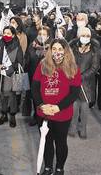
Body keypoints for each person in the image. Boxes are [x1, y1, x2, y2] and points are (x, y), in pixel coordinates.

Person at [32, 39, 82, 175]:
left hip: (62, 113)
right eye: (54, 49)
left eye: (60, 49)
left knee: (60, 142)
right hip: (43, 112)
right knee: (46, 141)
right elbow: (35, 87)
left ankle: (59, 168)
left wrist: (58, 107)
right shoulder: (42, 64)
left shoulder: (73, 67)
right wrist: (42, 105)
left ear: (66, 51)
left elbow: (74, 93)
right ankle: (48, 166)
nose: (57, 52)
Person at [68, 27, 100, 139]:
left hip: (86, 83)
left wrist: (82, 77)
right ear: (78, 36)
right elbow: (68, 62)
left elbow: (95, 67)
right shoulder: (72, 47)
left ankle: (83, 129)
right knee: (74, 106)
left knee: (84, 108)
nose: (85, 38)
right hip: (73, 81)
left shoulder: (94, 50)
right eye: (83, 35)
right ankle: (72, 127)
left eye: (87, 36)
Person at [0, 26, 24, 128]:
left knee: (12, 96)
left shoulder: (17, 47)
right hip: (0, 74)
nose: (6, 35)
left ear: (13, 35)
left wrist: (8, 69)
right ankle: (4, 114)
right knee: (2, 96)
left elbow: (20, 62)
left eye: (9, 33)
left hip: (11, 74)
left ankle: (12, 115)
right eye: (4, 33)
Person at [25, 26, 52, 125]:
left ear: (48, 36)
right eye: (40, 34)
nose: (41, 36)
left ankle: (46, 116)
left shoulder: (52, 47)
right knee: (35, 98)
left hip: (46, 77)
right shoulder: (32, 45)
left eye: (44, 34)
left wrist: (47, 56)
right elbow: (27, 58)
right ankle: (36, 116)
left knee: (46, 98)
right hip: (33, 76)